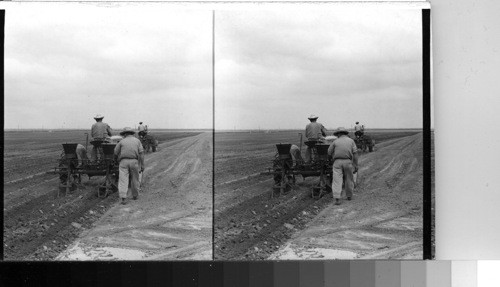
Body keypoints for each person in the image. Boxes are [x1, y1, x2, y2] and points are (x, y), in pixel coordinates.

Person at [327, 127, 358, 205]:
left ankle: (337, 199)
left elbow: (329, 152)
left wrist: (331, 159)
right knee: (349, 179)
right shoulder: (351, 141)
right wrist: (355, 164)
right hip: (348, 161)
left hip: (337, 162)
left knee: (337, 180)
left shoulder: (335, 141)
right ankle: (349, 196)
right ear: (345, 133)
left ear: (338, 134)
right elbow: (355, 153)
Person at [114, 127, 144, 205]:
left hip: (123, 162)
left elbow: (115, 153)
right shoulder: (137, 141)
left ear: (124, 134)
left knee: (123, 179)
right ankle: (135, 195)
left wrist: (116, 160)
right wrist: (142, 164)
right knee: (135, 178)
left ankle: (123, 198)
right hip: (134, 161)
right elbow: (141, 154)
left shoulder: (121, 141)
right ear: (131, 133)